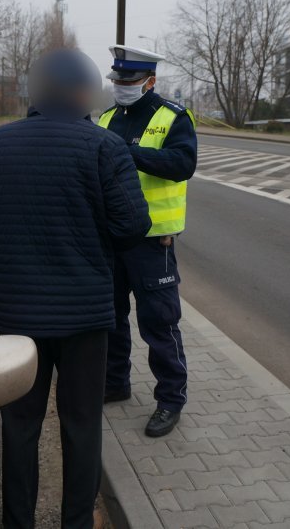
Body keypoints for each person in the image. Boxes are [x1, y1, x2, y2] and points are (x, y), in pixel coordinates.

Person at [0, 48, 151, 529]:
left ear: (35, 91)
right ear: (84, 93)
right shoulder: (104, 147)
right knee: (82, 425)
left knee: (19, 425)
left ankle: (17, 522)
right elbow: (133, 226)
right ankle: (76, 523)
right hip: (85, 317)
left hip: (17, 316)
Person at [97, 45, 197, 438]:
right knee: (111, 319)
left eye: (130, 81)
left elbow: (182, 164)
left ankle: (170, 400)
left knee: (159, 323)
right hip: (111, 239)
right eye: (117, 81)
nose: (121, 87)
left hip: (154, 242)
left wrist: (131, 153)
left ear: (150, 81)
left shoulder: (172, 117)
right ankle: (116, 383)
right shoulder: (105, 118)